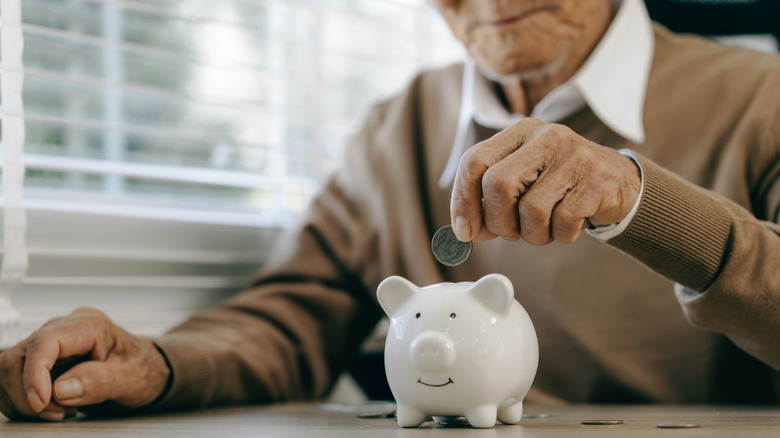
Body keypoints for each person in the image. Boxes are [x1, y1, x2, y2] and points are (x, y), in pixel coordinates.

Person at [2, 0, 779, 422]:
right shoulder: (396, 122)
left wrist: (643, 203)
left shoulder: (759, 95)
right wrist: (161, 362)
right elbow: (291, 319)